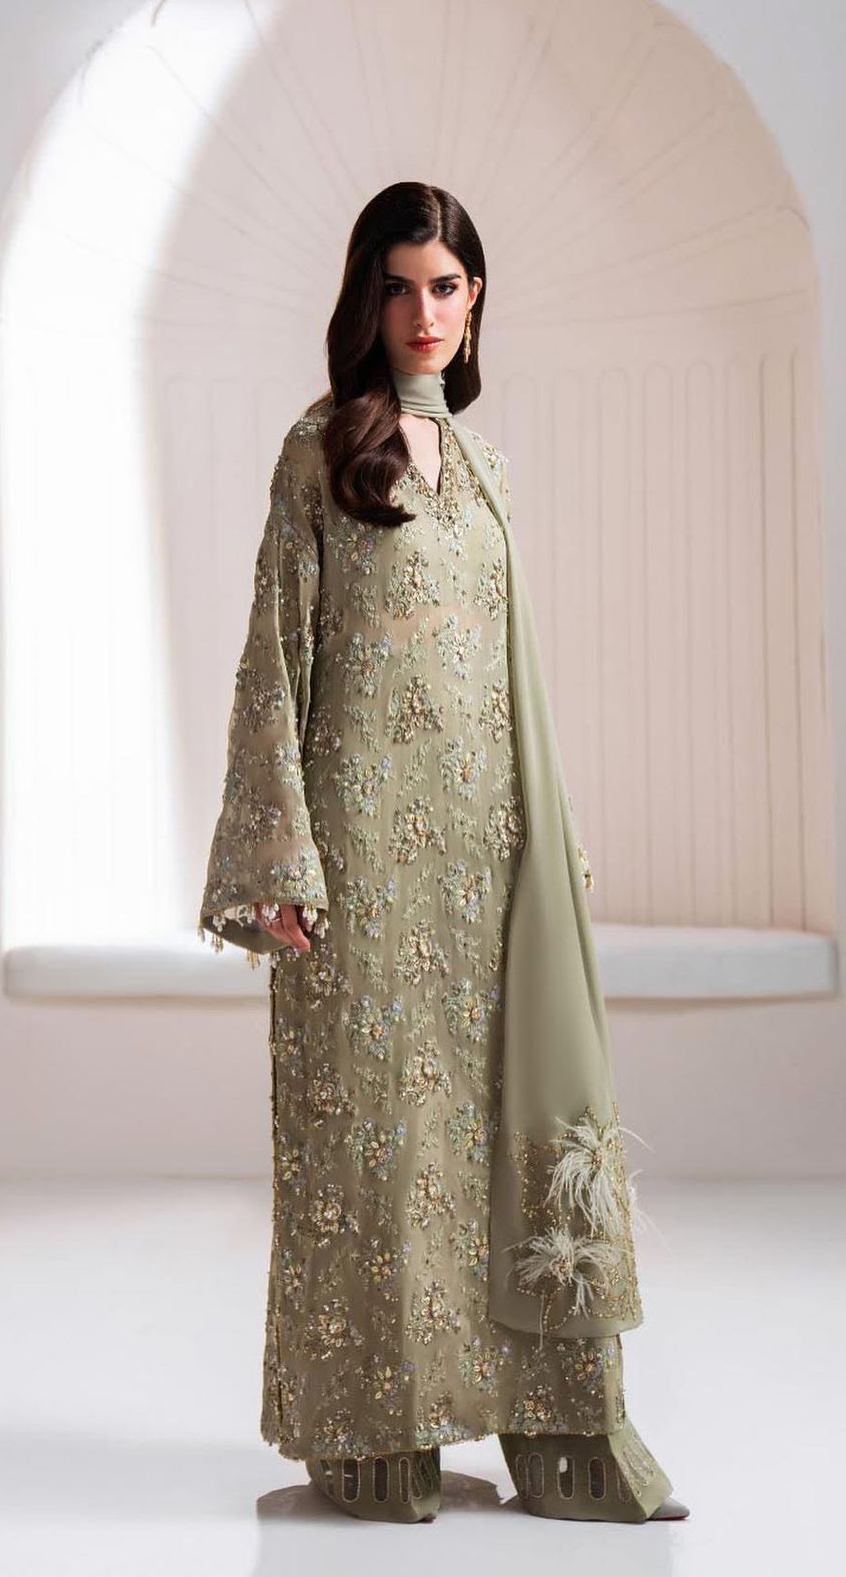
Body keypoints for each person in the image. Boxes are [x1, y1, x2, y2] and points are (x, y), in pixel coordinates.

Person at [197, 181, 688, 1525]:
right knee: (375, 1140)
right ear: (367, 302)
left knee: (497, 1143)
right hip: (359, 868)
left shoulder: (483, 474)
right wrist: (279, 859)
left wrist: (551, 846)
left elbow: (518, 680)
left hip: (487, 867)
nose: (424, 314)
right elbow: (273, 662)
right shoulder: (318, 455)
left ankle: (555, 1430)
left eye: (447, 287)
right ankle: (375, 1433)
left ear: (476, 303)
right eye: (400, 287)